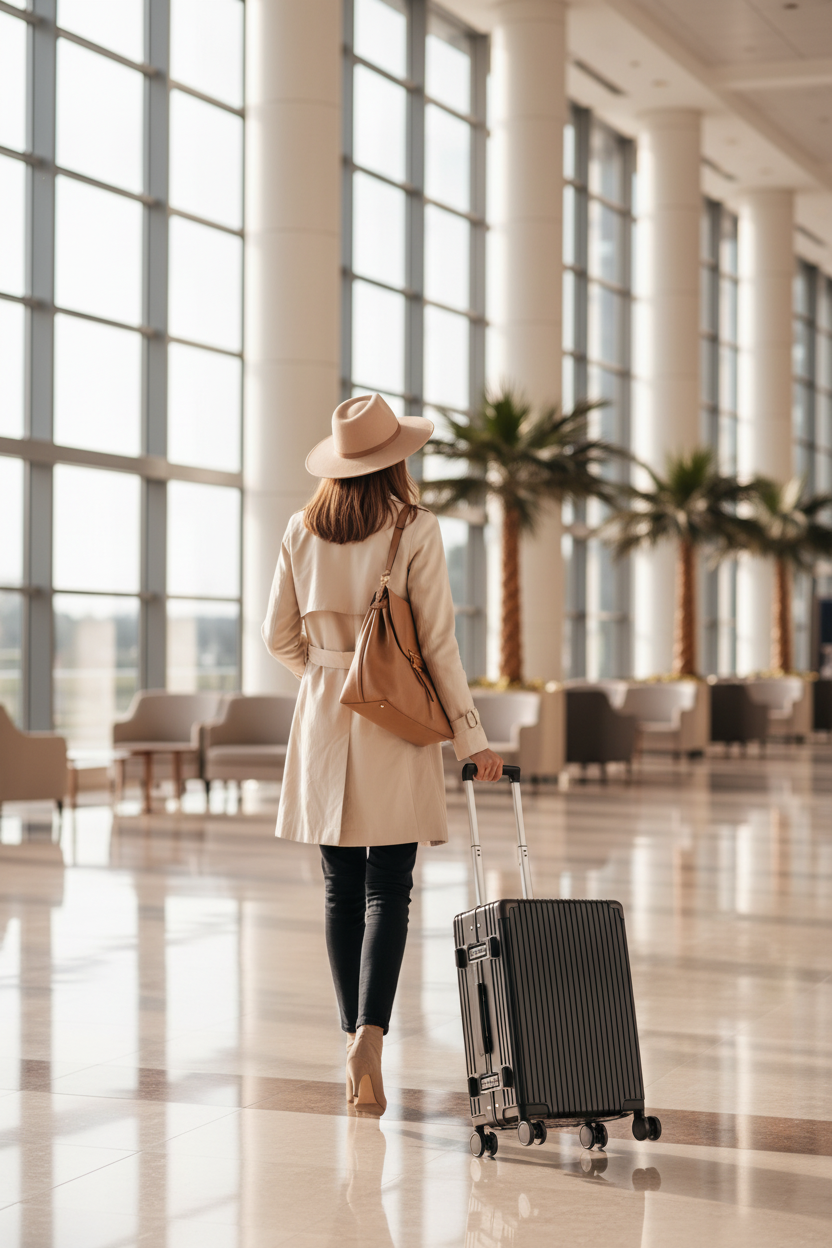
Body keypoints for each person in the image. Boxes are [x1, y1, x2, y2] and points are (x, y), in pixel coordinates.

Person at [262, 393, 503, 1116]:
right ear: (395, 459)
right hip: (392, 722)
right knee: (388, 890)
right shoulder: (414, 528)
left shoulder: (300, 530)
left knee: (340, 888)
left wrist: (329, 680)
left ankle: (349, 1039)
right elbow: (438, 645)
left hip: (322, 722)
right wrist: (472, 738)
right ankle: (371, 1031)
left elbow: (278, 638)